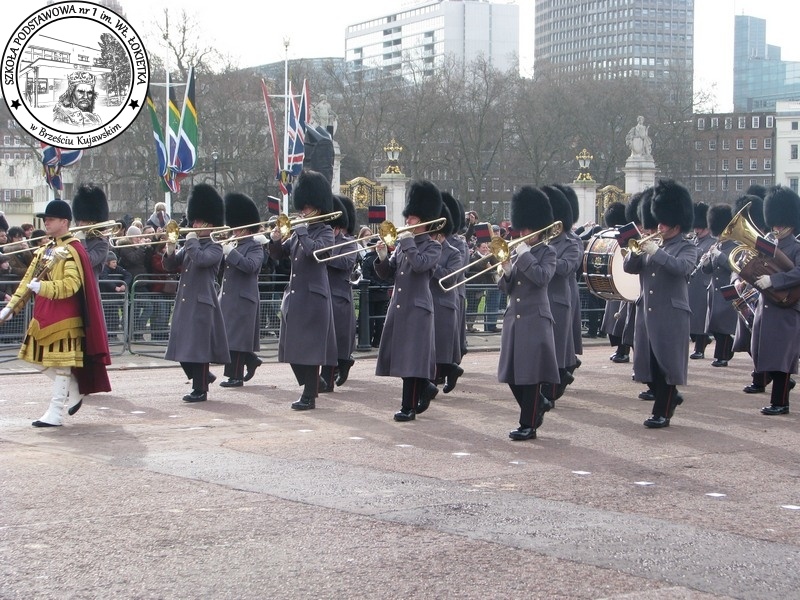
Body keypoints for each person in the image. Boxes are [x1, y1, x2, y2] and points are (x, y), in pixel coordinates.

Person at [0, 199, 110, 427]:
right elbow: (27, 281)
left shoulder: (72, 250)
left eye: (51, 219)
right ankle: (74, 387)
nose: (46, 223)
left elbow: (71, 285)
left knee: (61, 366)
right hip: (44, 315)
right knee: (33, 358)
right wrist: (11, 308)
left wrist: (44, 287)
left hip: (65, 318)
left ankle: (56, 413)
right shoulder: (46, 249)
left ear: (64, 222)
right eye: (46, 219)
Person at [623, 179, 696, 428]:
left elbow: (681, 268)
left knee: (666, 366)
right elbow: (629, 268)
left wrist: (656, 252)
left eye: (664, 223)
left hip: (670, 314)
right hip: (646, 313)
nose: (659, 226)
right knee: (648, 366)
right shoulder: (653, 244)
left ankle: (661, 413)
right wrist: (635, 252)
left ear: (677, 224)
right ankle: (670, 399)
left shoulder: (686, 247)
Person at [268, 170, 338, 411]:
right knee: (292, 348)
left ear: (318, 207)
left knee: (309, 350)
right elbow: (279, 254)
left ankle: (309, 395)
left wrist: (301, 231)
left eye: (307, 207)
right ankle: (314, 383)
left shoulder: (325, 231)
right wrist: (275, 239)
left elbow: (317, 253)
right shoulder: (301, 231)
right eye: (303, 207)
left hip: (314, 298)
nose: (303, 211)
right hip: (296, 297)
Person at [375, 180, 443, 422]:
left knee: (412, 360)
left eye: (412, 217)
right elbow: (388, 273)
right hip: (400, 307)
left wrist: (406, 243)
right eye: (408, 216)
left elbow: (420, 265)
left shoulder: (433, 247)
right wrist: (382, 257)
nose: (407, 221)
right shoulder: (405, 244)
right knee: (404, 357)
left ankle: (408, 407)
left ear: (424, 220)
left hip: (418, 308)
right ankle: (425, 388)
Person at [497, 186, 560, 441]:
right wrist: (507, 271)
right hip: (514, 317)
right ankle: (538, 406)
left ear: (539, 228)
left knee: (531, 375)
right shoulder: (517, 251)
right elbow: (505, 287)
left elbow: (542, 278)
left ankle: (528, 425)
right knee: (512, 374)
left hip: (535, 318)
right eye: (521, 229)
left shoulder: (548, 252)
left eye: (528, 230)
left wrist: (523, 255)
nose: (523, 234)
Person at [163, 184, 230, 403]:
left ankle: (200, 389)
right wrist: (170, 249)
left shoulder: (215, 246)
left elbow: (202, 260)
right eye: (194, 221)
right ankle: (203, 377)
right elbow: (171, 265)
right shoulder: (191, 245)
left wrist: (190, 241)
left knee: (198, 349)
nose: (194, 225)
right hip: (185, 301)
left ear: (210, 224)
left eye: (198, 222)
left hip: (202, 301)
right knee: (181, 345)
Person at [751, 186, 800, 415]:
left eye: (781, 224)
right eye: (775, 224)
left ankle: (780, 403)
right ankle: (783, 385)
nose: (776, 228)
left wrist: (774, 280)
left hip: (786, 308)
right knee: (761, 352)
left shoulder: (796, 247)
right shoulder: (768, 245)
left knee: (781, 358)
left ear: (790, 223)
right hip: (765, 307)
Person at [218, 192, 266, 388]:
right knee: (230, 337)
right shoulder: (234, 243)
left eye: (239, 228)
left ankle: (235, 376)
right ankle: (251, 360)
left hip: (244, 298)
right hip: (229, 297)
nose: (235, 231)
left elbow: (250, 266)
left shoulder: (255, 246)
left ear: (247, 228)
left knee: (236, 340)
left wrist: (231, 252)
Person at [320, 195, 358, 391]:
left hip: (338, 296)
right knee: (322, 340)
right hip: (321, 294)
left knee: (336, 340)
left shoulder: (348, 242)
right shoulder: (321, 240)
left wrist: (326, 253)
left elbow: (346, 262)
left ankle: (336, 370)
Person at [429, 202, 464, 394]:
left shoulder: (454, 252)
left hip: (444, 304)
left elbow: (451, 278)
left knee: (440, 349)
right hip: (428, 301)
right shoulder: (426, 248)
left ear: (440, 234)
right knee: (430, 348)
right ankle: (448, 371)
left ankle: (444, 374)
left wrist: (431, 263)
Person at [700, 204, 737, 367]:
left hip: (727, 291)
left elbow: (734, 267)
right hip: (714, 291)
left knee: (723, 327)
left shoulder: (734, 247)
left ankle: (722, 356)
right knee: (714, 326)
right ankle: (727, 351)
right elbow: (708, 271)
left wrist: (719, 255)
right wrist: (705, 262)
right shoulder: (717, 246)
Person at [598, 202, 630, 360]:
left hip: (626, 282)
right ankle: (620, 349)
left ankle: (623, 351)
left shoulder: (628, 235)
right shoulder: (613, 235)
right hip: (615, 281)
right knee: (614, 318)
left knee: (623, 320)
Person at [688, 202, 715, 360]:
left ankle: (700, 348)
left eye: (700, 228)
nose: (697, 230)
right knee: (692, 319)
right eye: (695, 227)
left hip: (703, 284)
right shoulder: (693, 240)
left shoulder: (712, 242)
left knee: (700, 319)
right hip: (692, 284)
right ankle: (702, 341)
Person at [99, 251, 132, 339]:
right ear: (107, 262)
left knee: (115, 316)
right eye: (113, 262)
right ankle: (108, 335)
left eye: (116, 262)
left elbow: (128, 275)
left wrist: (124, 285)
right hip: (106, 296)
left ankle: (113, 335)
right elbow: (104, 278)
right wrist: (115, 287)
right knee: (108, 316)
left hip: (115, 297)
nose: (115, 264)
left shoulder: (118, 268)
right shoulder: (103, 269)